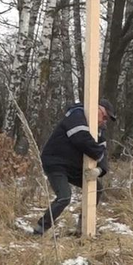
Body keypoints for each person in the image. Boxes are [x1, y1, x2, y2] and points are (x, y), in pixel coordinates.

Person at [33, 99, 117, 236]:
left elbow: (103, 153)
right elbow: (81, 139)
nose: (104, 121)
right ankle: (40, 229)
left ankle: (83, 228)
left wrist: (100, 170)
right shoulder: (76, 115)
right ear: (97, 109)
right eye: (105, 116)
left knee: (97, 188)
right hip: (55, 162)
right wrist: (97, 153)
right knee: (64, 196)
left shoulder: (98, 130)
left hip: (72, 166)